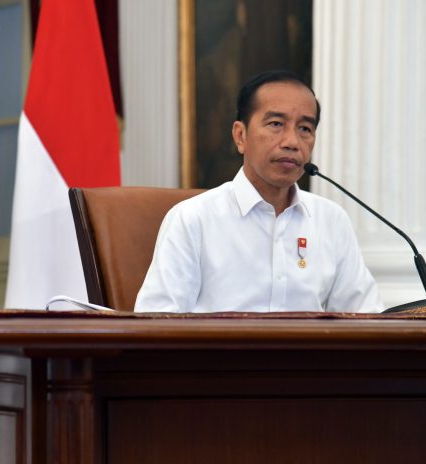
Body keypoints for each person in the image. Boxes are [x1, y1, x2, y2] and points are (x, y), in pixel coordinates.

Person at [135, 70, 382, 313]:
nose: (292, 142)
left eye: (305, 129)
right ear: (240, 136)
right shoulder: (193, 219)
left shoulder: (331, 220)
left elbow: (365, 316)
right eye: (276, 124)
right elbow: (156, 322)